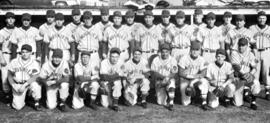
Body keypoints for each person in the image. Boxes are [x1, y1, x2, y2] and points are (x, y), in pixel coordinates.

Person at [7, 44, 41, 110]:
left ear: (31, 53)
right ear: (20, 53)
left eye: (27, 52)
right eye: (23, 52)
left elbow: (35, 77)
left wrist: (24, 85)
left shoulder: (34, 63)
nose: (25, 54)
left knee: (36, 86)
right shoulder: (14, 61)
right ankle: (25, 98)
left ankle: (36, 102)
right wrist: (14, 86)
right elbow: (9, 74)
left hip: (29, 83)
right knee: (17, 107)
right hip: (18, 84)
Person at [231, 38, 261, 110]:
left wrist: (250, 74)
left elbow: (254, 67)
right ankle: (240, 93)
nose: (241, 47)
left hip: (248, 78)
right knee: (238, 104)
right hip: (238, 79)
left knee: (256, 83)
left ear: (247, 46)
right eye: (239, 45)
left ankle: (253, 102)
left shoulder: (250, 54)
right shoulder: (234, 53)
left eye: (243, 45)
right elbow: (236, 67)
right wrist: (245, 74)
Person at [178, 41, 210, 110]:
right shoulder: (184, 58)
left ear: (200, 51)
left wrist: (192, 82)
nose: (195, 52)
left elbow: (203, 74)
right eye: (193, 49)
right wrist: (191, 77)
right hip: (186, 79)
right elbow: (180, 73)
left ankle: (204, 103)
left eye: (197, 50)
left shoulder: (202, 59)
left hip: (196, 80)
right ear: (190, 50)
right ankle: (192, 97)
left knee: (204, 82)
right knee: (185, 103)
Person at [249, 11, 270, 100]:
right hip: (255, 51)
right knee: (255, 72)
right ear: (257, 19)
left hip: (266, 51)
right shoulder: (252, 28)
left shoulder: (269, 28)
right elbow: (249, 41)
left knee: (266, 72)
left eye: (263, 18)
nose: (262, 20)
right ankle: (255, 92)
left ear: (266, 19)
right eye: (260, 18)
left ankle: (268, 91)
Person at [151, 43, 178, 111]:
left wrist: (167, 78)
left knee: (171, 83)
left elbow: (174, 72)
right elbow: (154, 72)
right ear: (160, 52)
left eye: (166, 52)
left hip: (169, 79)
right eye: (163, 52)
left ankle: (171, 103)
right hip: (159, 81)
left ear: (169, 52)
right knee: (160, 102)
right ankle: (166, 94)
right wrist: (163, 78)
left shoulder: (173, 59)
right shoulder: (156, 59)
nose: (165, 53)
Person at [99, 47, 126, 112]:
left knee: (117, 83)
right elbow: (103, 77)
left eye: (116, 57)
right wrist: (116, 75)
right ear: (109, 56)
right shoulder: (104, 62)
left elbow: (121, 76)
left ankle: (115, 104)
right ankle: (106, 94)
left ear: (119, 57)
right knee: (105, 104)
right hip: (105, 82)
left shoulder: (121, 62)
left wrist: (113, 76)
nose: (114, 59)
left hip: (115, 82)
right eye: (112, 56)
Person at [0, 12, 17, 103]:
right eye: (8, 18)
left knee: (16, 75)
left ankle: (16, 95)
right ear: (6, 20)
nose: (10, 20)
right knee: (5, 76)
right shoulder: (2, 31)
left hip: (16, 55)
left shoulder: (18, 30)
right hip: (5, 54)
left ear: (14, 20)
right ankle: (7, 95)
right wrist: (1, 58)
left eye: (12, 18)